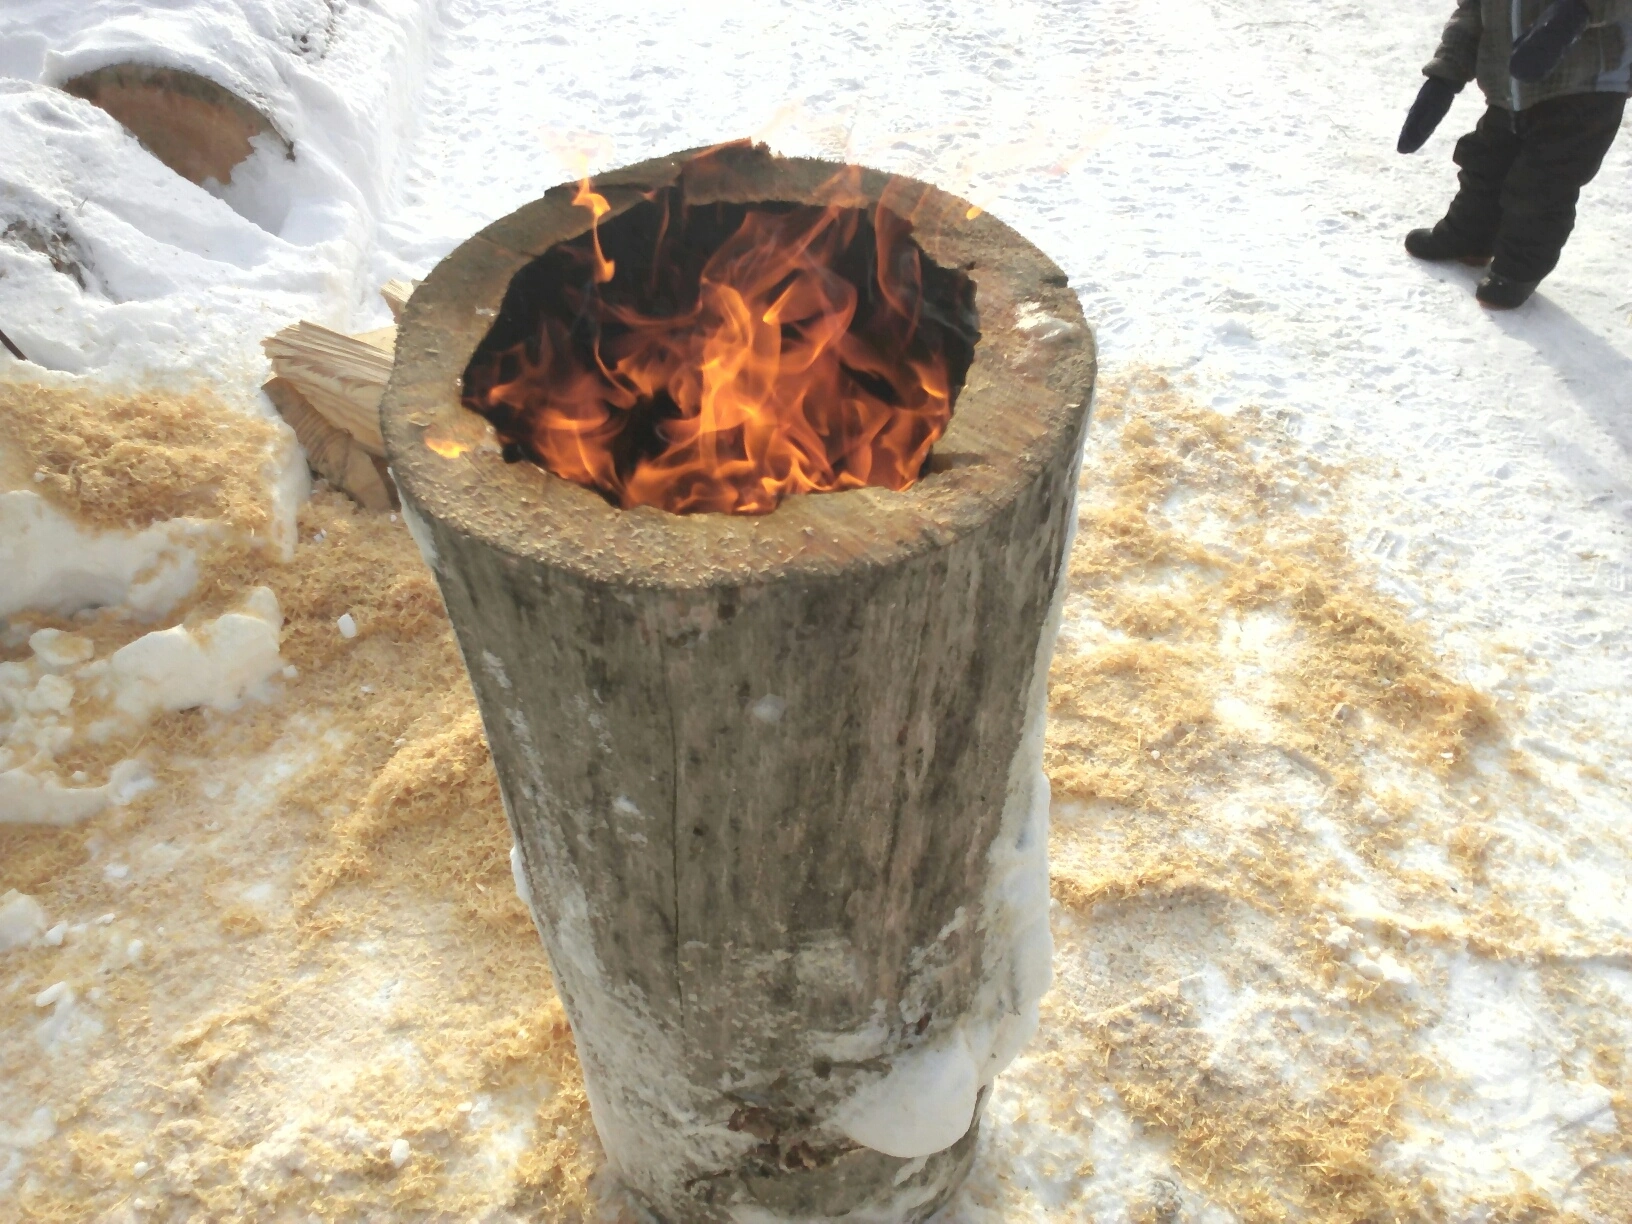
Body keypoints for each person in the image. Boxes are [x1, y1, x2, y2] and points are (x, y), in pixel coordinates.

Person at [1397, 0, 1632, 309]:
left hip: (1586, 86)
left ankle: (1518, 271)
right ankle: (1469, 236)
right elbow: (1473, 10)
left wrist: (1574, 12)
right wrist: (1445, 74)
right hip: (1509, 86)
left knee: (1542, 185)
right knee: (1486, 163)